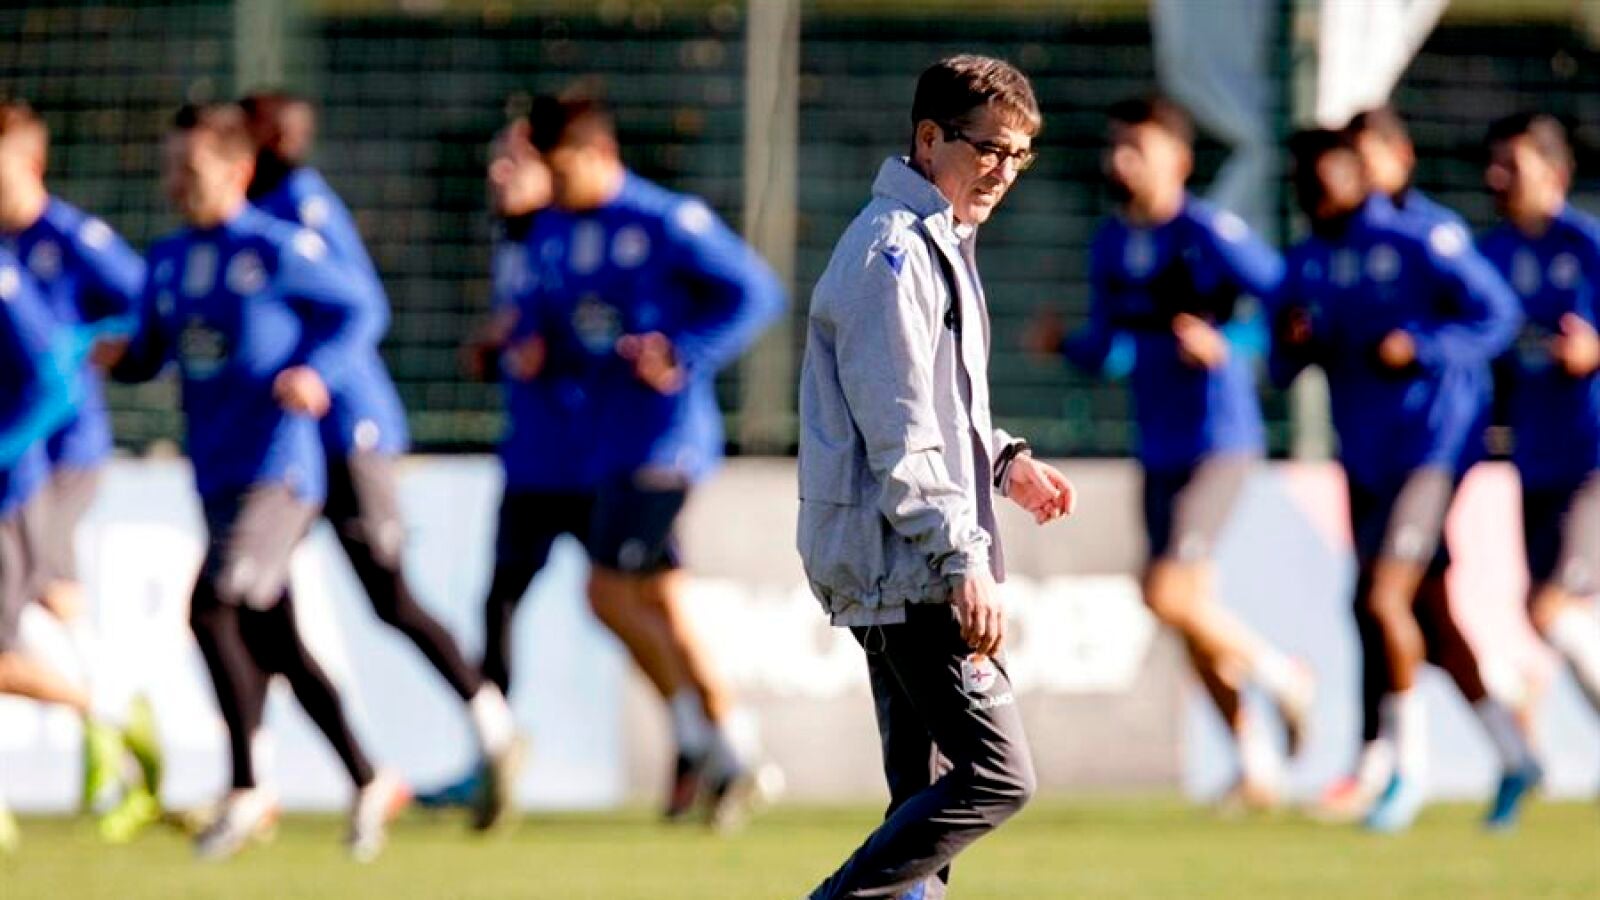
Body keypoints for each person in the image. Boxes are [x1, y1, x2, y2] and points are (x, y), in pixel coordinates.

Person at [799, 55, 1075, 899]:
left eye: (1020, 154)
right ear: (929, 139)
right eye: (988, 147)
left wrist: (1002, 461)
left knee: (924, 809)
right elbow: (902, 436)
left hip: (907, 561)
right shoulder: (894, 252)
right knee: (997, 776)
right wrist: (963, 557)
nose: (1004, 170)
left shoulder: (935, 240)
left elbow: (934, 407)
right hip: (909, 567)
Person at [108, 102, 406, 861]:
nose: (176, 183)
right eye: (170, 168)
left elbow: (361, 307)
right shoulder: (169, 259)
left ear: (239, 171)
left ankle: (246, 787)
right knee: (276, 638)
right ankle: (368, 776)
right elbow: (151, 351)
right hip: (216, 469)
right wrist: (116, 356)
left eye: (191, 169)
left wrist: (318, 372)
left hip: (280, 470)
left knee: (212, 607)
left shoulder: (275, 248)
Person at [237, 90, 520, 830]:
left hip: (345, 430)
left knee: (385, 593)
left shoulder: (300, 204)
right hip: (289, 442)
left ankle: (492, 723)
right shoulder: (252, 211)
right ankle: (256, 779)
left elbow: (361, 306)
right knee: (251, 599)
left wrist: (314, 374)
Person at [506, 91, 784, 829]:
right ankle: (729, 747)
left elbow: (757, 292)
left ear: (599, 155)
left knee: (606, 592)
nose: (551, 183)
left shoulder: (664, 219)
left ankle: (704, 738)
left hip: (665, 442)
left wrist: (684, 352)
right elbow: (561, 327)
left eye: (560, 168)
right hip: (604, 443)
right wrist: (534, 348)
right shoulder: (554, 231)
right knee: (658, 600)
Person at [1027, 96, 1313, 809]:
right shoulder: (1111, 243)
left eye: (1139, 149)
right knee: (1186, 609)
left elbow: (1289, 305)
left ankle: (1285, 677)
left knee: (1166, 592)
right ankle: (1255, 767)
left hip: (1219, 439)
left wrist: (1231, 345)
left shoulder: (1209, 232)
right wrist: (1067, 346)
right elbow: (1112, 348)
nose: (1122, 162)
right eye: (1117, 147)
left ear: (1178, 161)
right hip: (1156, 441)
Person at [1270, 128, 1537, 832]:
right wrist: (1294, 345)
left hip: (1430, 449)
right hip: (1366, 458)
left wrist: (1420, 344)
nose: (1315, 191)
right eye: (1304, 179)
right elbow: (1280, 363)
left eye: (1327, 175)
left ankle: (1405, 772)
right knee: (1428, 619)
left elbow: (1498, 314)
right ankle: (1515, 753)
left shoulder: (1420, 237)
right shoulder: (1307, 260)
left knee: (1382, 597)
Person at [0, 98, 163, 839]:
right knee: (56, 594)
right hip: (27, 451)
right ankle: (112, 720)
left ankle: (111, 718)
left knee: (45, 592)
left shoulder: (71, 237)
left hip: (64, 447)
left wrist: (88, 339)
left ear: (31, 164)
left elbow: (149, 307)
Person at [1477, 113, 1600, 747]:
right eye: (1494, 164)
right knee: (1543, 611)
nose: (1497, 178)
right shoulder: (1488, 256)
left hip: (1592, 451)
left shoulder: (1588, 246)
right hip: (1535, 455)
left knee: (1553, 608)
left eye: (1513, 166)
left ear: (1555, 173)